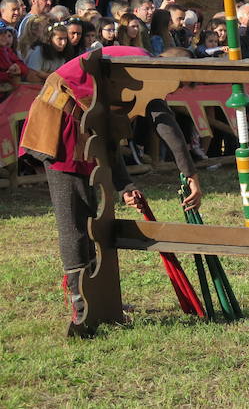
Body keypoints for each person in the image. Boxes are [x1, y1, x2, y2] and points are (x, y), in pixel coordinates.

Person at [18, 46, 202, 330]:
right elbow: (165, 124)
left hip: (81, 124)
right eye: (180, 83)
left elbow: (108, 133)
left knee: (90, 214)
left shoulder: (136, 66)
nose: (173, 92)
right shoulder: (144, 68)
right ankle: (83, 306)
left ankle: (99, 299)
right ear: (173, 68)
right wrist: (189, 174)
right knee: (75, 220)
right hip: (59, 122)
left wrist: (125, 184)